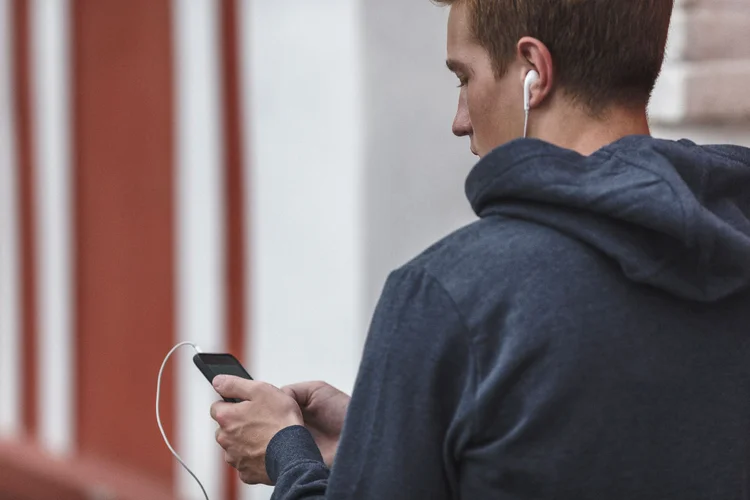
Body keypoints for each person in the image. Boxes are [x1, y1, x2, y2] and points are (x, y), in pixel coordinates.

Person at [210, 0, 750, 498]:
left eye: (464, 78)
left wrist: (289, 456)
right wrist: (387, 438)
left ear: (533, 72)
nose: (459, 119)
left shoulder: (450, 294)